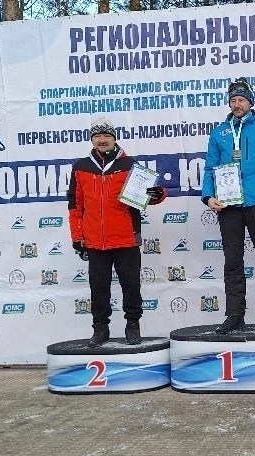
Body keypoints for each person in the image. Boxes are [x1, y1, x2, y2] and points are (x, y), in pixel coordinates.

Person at [68, 116, 167, 347]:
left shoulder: (130, 165)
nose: (102, 140)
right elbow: (75, 205)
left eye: (106, 135)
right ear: (92, 139)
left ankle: (133, 325)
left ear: (114, 138)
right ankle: (100, 329)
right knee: (98, 289)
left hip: (126, 238)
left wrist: (157, 194)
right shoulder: (81, 167)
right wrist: (77, 237)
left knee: (131, 286)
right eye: (97, 136)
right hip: (94, 241)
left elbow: (146, 196)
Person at [201, 77, 255, 334]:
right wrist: (208, 196)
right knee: (232, 262)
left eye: (241, 100)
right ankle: (235, 315)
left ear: (251, 102)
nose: (237, 104)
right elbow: (210, 168)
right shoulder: (219, 132)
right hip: (228, 205)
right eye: (233, 100)